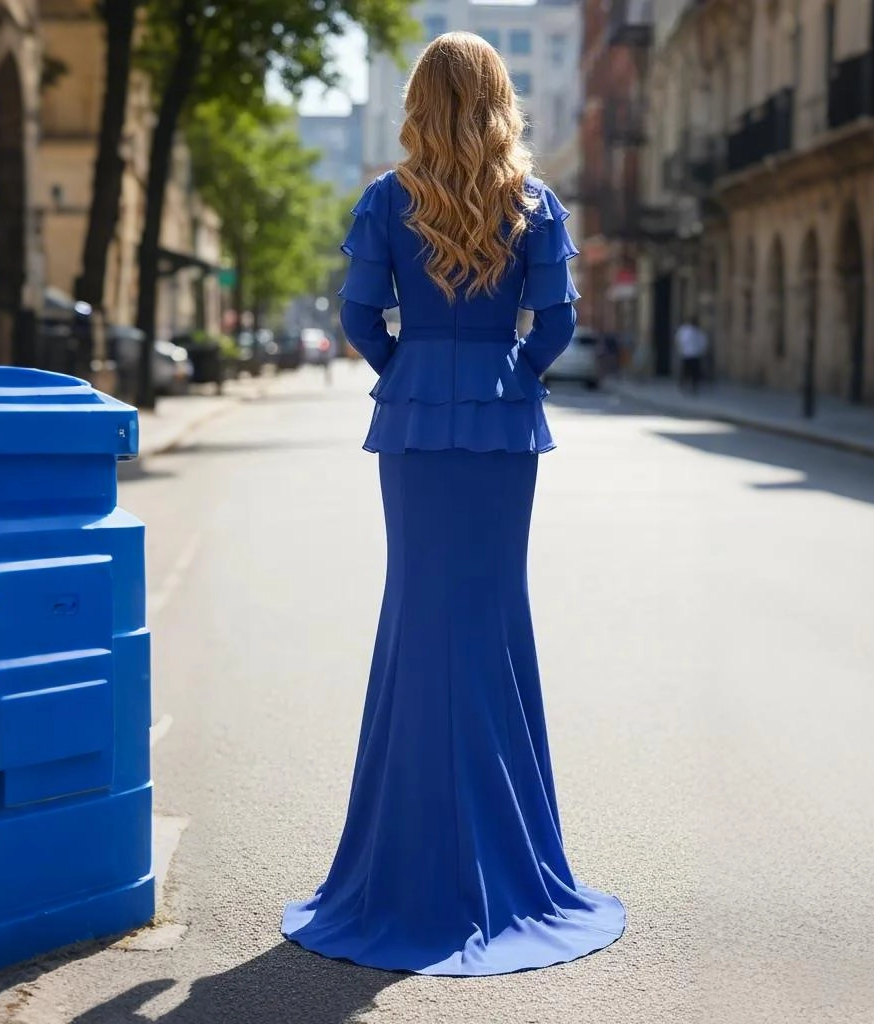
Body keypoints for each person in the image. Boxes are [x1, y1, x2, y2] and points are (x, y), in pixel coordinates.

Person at [281, 32, 625, 977]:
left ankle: (407, 859)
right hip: (505, 431)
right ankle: (506, 857)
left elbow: (358, 316)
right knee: (493, 618)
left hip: (414, 429)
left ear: (420, 103)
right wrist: (502, 375)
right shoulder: (536, 204)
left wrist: (416, 373)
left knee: (417, 616)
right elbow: (553, 323)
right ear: (502, 99)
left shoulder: (388, 201)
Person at [675, 315, 708, 394]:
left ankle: (691, 386)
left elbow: (703, 342)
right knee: (687, 371)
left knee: (692, 372)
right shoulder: (686, 330)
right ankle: (684, 385)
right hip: (689, 354)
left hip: (692, 354)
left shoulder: (696, 331)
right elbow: (703, 342)